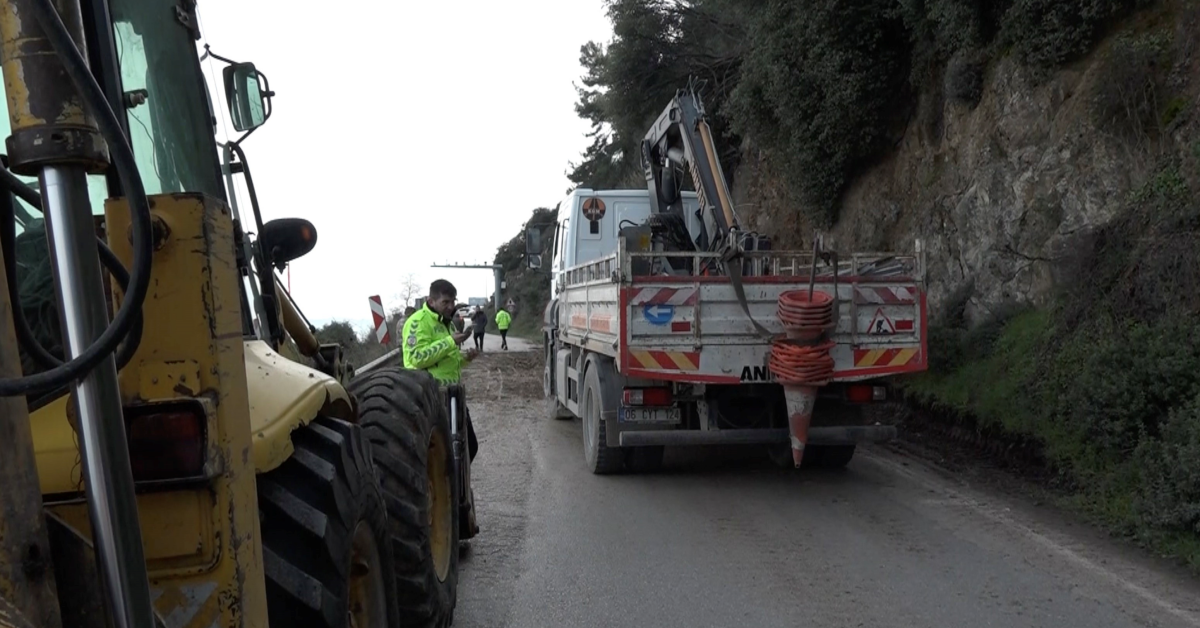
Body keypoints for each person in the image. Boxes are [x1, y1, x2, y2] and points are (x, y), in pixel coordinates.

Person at [401, 279, 479, 461]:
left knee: (469, 448)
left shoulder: (447, 323)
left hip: (453, 395)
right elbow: (416, 358)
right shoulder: (417, 322)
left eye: (453, 301)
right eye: (445, 302)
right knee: (443, 458)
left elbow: (446, 360)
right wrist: (450, 341)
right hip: (430, 398)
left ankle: (459, 489)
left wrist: (466, 358)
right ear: (431, 301)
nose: (451, 306)